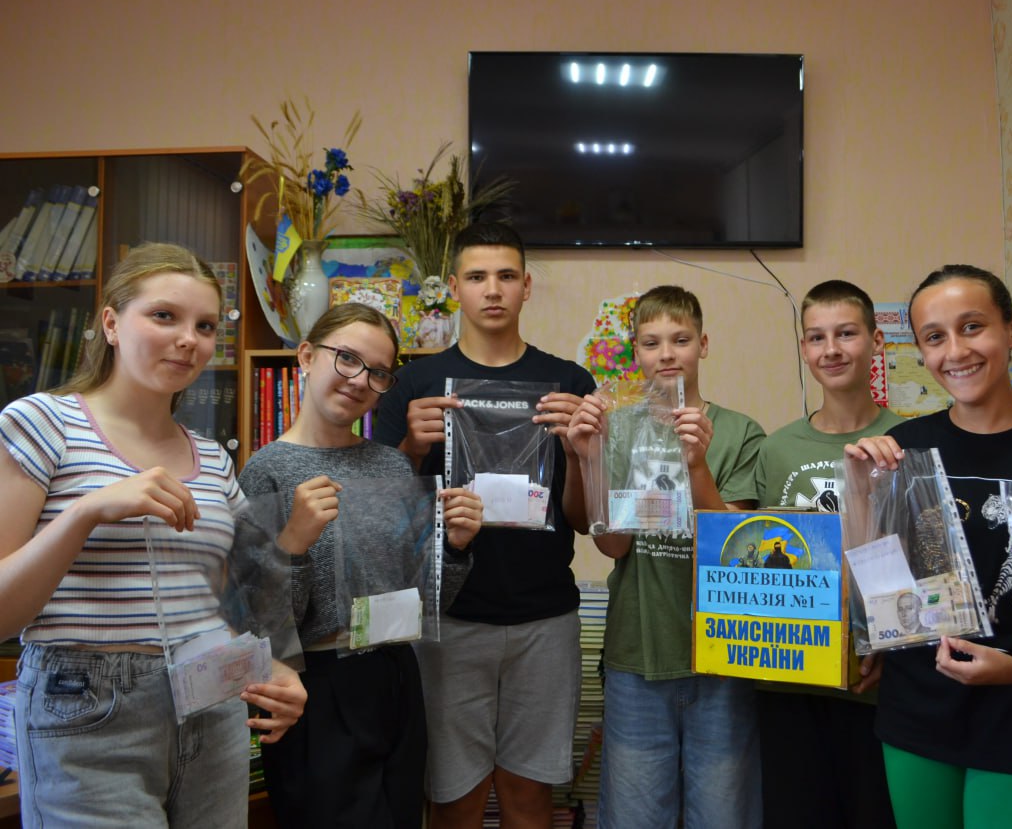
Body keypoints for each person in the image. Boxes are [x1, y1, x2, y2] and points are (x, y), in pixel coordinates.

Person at [0, 243, 307, 828]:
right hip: (88, 706)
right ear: (111, 324)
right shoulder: (42, 423)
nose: (188, 339)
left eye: (205, 326)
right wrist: (86, 512)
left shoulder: (213, 458)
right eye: (164, 316)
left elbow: (228, 605)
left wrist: (273, 667)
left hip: (212, 700)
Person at [851, 265, 1012, 829]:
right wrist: (861, 487)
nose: (956, 351)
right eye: (934, 337)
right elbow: (880, 597)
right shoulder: (903, 449)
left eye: (972, 327)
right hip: (918, 707)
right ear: (920, 351)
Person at [372, 222, 593, 828]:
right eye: (476, 277)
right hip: (447, 619)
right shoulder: (415, 384)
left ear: (526, 287)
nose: (492, 290)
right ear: (453, 288)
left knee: (530, 797)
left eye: (505, 276)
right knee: (453, 800)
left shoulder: (570, 383)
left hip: (545, 617)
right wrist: (410, 449)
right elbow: (381, 518)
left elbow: (582, 520)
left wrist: (578, 451)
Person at [237, 303, 483, 828]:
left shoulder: (392, 465)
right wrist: (294, 543)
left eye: (378, 372)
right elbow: (261, 625)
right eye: (346, 358)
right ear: (307, 356)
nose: (359, 380)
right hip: (315, 688)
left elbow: (427, 604)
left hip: (395, 676)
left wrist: (456, 547)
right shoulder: (265, 471)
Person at [567, 284, 766, 829]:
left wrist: (696, 464)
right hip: (637, 650)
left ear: (704, 344)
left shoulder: (739, 432)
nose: (667, 354)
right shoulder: (618, 428)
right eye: (652, 342)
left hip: (725, 654)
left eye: (681, 339)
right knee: (635, 815)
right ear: (636, 352)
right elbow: (612, 544)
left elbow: (733, 553)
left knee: (723, 814)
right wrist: (589, 458)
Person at [752, 279, 900, 828]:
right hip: (789, 679)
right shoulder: (776, 448)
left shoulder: (908, 440)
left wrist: (888, 645)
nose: (831, 349)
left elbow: (921, 559)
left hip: (876, 685)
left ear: (876, 340)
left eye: (846, 334)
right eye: (817, 337)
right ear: (803, 348)